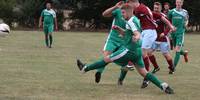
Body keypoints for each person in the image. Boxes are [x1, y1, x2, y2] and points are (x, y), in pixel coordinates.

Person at [76, 4, 174, 94]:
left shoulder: (131, 21)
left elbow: (136, 33)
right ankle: (163, 86)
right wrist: (119, 29)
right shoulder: (134, 19)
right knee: (144, 72)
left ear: (128, 12)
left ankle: (85, 68)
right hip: (137, 51)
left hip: (129, 50)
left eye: (123, 13)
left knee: (106, 59)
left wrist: (137, 36)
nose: (121, 15)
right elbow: (128, 33)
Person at [126, 0, 176, 88]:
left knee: (143, 52)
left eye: (129, 4)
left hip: (150, 32)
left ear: (133, 2)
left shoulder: (141, 9)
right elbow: (160, 17)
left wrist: (170, 26)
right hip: (146, 32)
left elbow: (132, 19)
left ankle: (146, 77)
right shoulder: (143, 8)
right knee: (140, 50)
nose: (130, 6)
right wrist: (171, 26)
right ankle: (133, 65)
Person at [94, 1, 130, 84]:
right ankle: (99, 72)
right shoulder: (118, 10)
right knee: (106, 56)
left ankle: (120, 79)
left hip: (124, 41)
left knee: (126, 62)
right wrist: (115, 7)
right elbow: (104, 14)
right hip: (113, 39)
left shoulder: (133, 13)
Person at [149, 2, 174, 74]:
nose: (156, 10)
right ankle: (156, 67)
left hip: (162, 39)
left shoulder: (163, 16)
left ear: (160, 8)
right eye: (155, 8)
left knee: (165, 54)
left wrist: (165, 33)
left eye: (157, 8)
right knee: (149, 53)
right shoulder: (151, 15)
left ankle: (172, 67)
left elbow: (169, 25)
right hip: (153, 38)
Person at [168, 0, 189, 72]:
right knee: (176, 50)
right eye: (177, 2)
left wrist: (186, 24)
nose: (178, 3)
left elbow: (186, 20)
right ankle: (184, 53)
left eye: (180, 2)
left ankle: (173, 68)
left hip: (180, 33)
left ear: (182, 3)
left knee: (177, 50)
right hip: (173, 33)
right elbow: (168, 21)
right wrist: (170, 28)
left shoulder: (185, 12)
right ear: (175, 3)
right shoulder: (171, 11)